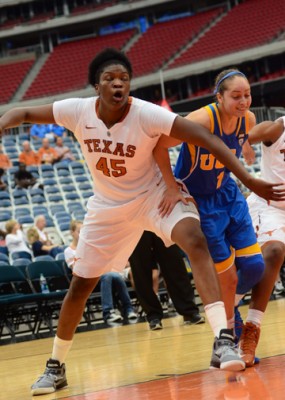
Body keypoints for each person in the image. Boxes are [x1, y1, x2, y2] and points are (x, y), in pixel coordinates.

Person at [0, 49, 283, 395]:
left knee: (195, 238)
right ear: (96, 86)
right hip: (108, 207)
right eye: (110, 78)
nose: (118, 83)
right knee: (80, 285)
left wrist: (248, 178)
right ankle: (55, 366)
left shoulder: (145, 113)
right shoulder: (76, 111)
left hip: (153, 197)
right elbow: (25, 111)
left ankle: (223, 339)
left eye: (124, 79)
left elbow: (206, 138)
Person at [153, 69, 272, 354]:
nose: (244, 101)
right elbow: (158, 146)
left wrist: (244, 149)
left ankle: (229, 310)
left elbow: (237, 141)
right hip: (200, 201)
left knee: (256, 266)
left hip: (228, 195)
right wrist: (170, 186)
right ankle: (230, 333)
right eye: (236, 96)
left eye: (247, 95)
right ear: (219, 97)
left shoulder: (249, 119)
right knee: (227, 277)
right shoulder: (201, 119)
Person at [237, 116, 285, 366]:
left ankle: (229, 303)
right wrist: (245, 144)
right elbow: (249, 134)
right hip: (270, 207)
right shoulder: (280, 128)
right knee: (274, 251)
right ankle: (250, 330)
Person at [129, 230, 204, 330]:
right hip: (134, 221)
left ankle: (189, 311)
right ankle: (153, 315)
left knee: (174, 261)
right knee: (140, 269)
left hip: (159, 217)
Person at [64, 220, 137, 323]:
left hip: (100, 275)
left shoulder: (90, 246)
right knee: (108, 275)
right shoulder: (69, 251)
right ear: (72, 233)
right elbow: (77, 269)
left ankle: (129, 309)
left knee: (115, 275)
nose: (83, 234)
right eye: (79, 231)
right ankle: (108, 312)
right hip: (84, 279)